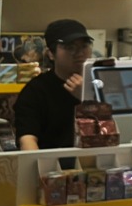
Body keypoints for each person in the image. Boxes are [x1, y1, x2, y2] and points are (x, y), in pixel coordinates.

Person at [14, 19, 94, 150]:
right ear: (51, 54)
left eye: (84, 46)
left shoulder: (100, 83)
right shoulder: (35, 91)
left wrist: (85, 97)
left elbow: (115, 127)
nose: (79, 53)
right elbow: (27, 140)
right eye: (70, 47)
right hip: (50, 161)